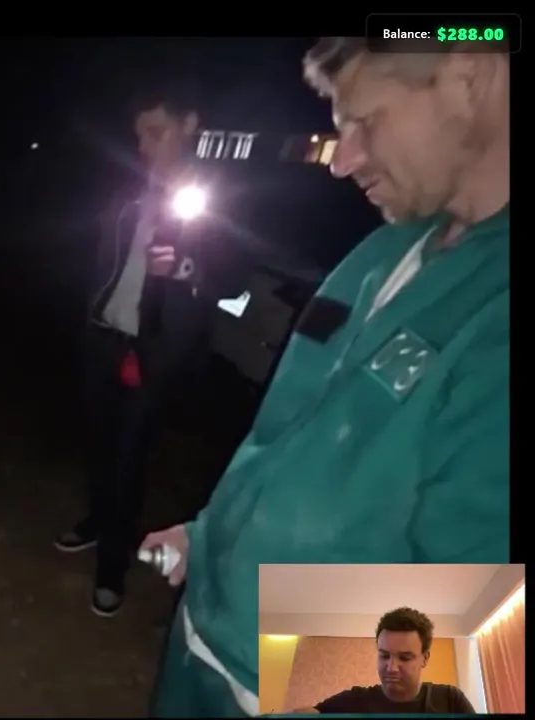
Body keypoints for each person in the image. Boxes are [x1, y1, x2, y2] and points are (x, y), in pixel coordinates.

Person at [144, 38, 510, 717]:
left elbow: (489, 635)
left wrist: (280, 654)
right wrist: (212, 538)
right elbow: (293, 440)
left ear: (468, 77)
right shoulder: (383, 249)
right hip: (201, 654)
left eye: (365, 122)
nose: (342, 161)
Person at [55, 86, 248, 617]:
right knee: (99, 444)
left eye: (156, 132)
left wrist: (185, 268)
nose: (143, 145)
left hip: (156, 350)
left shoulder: (219, 195)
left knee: (129, 458)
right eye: (139, 134)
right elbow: (98, 251)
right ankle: (98, 521)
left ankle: (112, 565)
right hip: (104, 336)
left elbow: (235, 281)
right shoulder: (128, 186)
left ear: (190, 125)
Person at [286, 607, 476, 715]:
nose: (391, 667)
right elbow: (312, 713)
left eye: (404, 657)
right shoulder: (355, 700)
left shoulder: (450, 699)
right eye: (384, 655)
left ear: (424, 658)